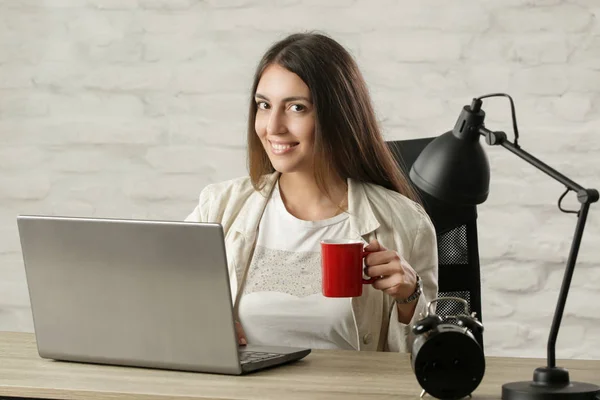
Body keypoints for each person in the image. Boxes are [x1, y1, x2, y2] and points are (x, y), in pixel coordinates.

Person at [186, 32, 438, 352]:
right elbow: (162, 296)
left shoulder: (406, 224)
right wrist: (200, 322)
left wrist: (409, 298)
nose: (272, 126)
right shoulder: (219, 208)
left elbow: (431, 361)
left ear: (338, 116)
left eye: (296, 107)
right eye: (264, 105)